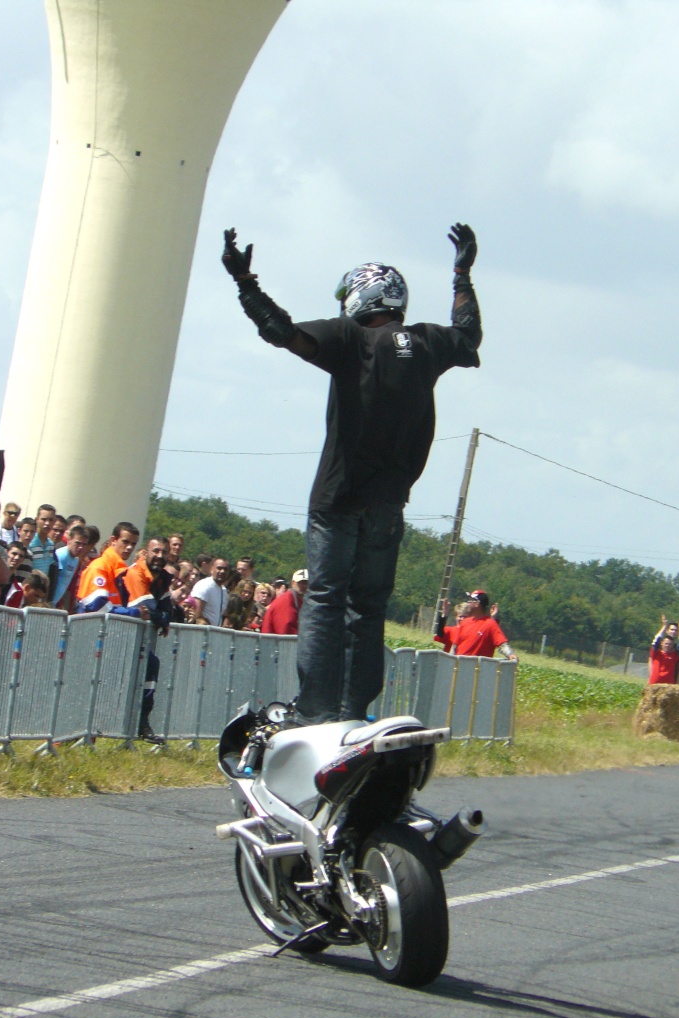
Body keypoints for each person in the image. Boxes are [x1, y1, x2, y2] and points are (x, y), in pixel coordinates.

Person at [222, 222, 482, 722]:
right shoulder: (426, 342)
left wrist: (245, 283)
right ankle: (353, 711)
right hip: (388, 502)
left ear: (364, 296)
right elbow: (469, 334)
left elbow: (281, 331)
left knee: (324, 597)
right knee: (368, 608)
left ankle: (315, 710)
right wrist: (462, 274)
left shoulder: (346, 337)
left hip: (337, 498)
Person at [119, 536, 171, 743]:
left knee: (151, 666)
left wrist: (161, 617)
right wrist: (160, 617)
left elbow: (167, 613)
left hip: (140, 639)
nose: (160, 556)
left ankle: (142, 723)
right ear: (145, 552)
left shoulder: (163, 578)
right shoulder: (136, 572)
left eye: (164, 553)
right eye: (155, 551)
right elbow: (149, 610)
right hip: (122, 633)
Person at [77, 522, 143, 614]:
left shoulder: (118, 570)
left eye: (133, 544)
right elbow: (97, 606)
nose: (129, 547)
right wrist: (133, 613)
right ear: (113, 540)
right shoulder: (99, 567)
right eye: (125, 542)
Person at [448, 591, 518, 661]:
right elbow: (455, 646)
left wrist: (511, 654)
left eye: (470, 601)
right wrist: (450, 661)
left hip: (477, 669)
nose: (468, 603)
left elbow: (502, 644)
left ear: (477, 604)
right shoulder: (464, 623)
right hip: (459, 667)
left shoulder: (490, 624)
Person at [51, 524, 89, 610]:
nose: (80, 547)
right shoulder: (61, 555)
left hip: (56, 604)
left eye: (84, 544)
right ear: (69, 540)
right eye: (78, 543)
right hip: (49, 602)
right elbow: (53, 580)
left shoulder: (76, 560)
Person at [261, 569, 308, 635]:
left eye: (306, 582)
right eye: (301, 582)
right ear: (293, 583)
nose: (304, 585)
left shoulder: (298, 599)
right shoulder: (286, 601)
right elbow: (285, 630)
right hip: (276, 643)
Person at [648, 616, 679, 685]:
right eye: (666, 644)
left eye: (670, 644)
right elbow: (655, 641)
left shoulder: (674, 655)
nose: (667, 645)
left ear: (673, 646)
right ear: (661, 643)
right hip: (654, 683)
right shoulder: (656, 653)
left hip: (668, 684)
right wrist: (664, 626)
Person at [191, 558, 230, 626]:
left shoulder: (224, 591)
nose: (222, 571)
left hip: (215, 632)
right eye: (219, 568)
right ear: (212, 569)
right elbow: (196, 613)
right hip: (202, 631)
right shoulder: (204, 585)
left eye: (225, 569)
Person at [29, 504, 57, 576]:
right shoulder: (30, 541)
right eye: (44, 519)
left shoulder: (50, 544)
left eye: (51, 520)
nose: (47, 523)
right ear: (36, 520)